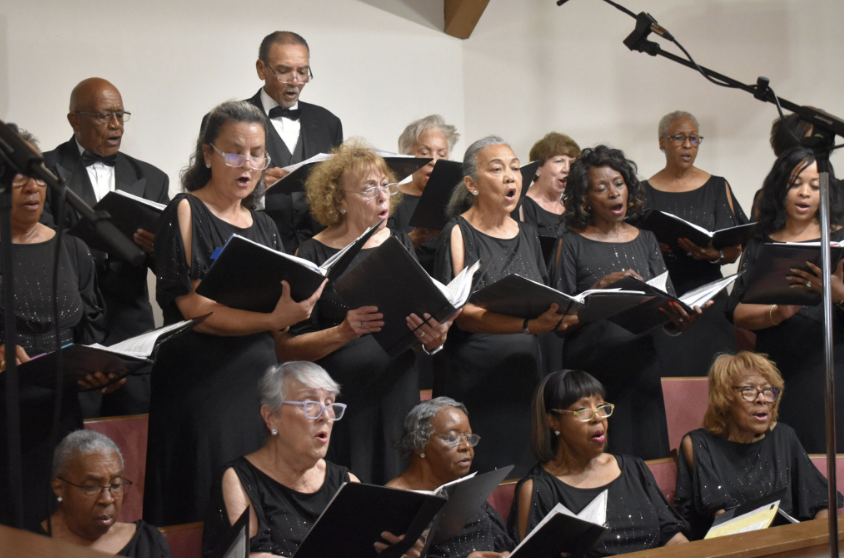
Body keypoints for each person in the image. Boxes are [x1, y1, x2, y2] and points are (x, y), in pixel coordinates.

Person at [143, 101, 324, 526]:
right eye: (233, 152)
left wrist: (299, 304)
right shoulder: (186, 209)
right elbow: (192, 307)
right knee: (205, 498)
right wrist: (271, 320)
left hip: (256, 381)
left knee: (253, 498)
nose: (247, 164)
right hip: (200, 381)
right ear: (207, 155)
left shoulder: (264, 226)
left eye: (257, 153)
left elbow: (276, 300)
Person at [274, 140, 452, 484]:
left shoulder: (398, 243)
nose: (383, 196)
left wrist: (434, 339)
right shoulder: (311, 252)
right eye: (369, 188)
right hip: (342, 402)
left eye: (385, 186)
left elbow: (420, 326)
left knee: (398, 491)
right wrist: (343, 332)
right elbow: (286, 348)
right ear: (339, 200)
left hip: (398, 390)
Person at [550, 145, 707, 460]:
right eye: (601, 187)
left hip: (641, 363)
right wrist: (598, 290)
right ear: (585, 197)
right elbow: (559, 320)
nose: (613, 193)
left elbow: (668, 302)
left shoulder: (646, 239)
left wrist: (681, 318)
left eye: (618, 184)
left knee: (645, 454)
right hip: (592, 372)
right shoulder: (570, 242)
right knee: (598, 457)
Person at [434, 136, 576, 477]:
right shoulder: (457, 232)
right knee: (482, 476)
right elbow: (460, 315)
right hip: (475, 379)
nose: (511, 176)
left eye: (515, 168)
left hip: (523, 377)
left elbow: (542, 295)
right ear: (472, 184)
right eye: (497, 169)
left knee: (524, 470)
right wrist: (527, 326)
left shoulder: (528, 233)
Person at [0, 127, 121, 529]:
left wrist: (102, 372)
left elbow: (90, 334)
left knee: (57, 527)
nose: (32, 188)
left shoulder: (73, 249)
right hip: (6, 412)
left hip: (60, 415)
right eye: (18, 179)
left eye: (39, 177)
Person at [41, 78, 170, 417]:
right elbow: (37, 248)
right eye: (103, 116)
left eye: (120, 115)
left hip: (131, 328)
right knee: (75, 437)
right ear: (74, 120)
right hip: (71, 326)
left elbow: (171, 263)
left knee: (134, 434)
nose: (115, 126)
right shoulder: (43, 170)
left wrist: (158, 248)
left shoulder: (153, 179)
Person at [727, 146, 844, 453]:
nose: (804, 193)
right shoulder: (760, 242)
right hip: (776, 370)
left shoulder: (840, 240)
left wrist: (836, 291)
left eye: (815, 186)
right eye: (795, 184)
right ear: (780, 187)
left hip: (832, 365)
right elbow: (737, 312)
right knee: (785, 458)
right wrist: (778, 313)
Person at [509, 370, 688, 556]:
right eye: (582, 410)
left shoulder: (634, 469)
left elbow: (672, 537)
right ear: (553, 421)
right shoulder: (538, 490)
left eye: (601, 406)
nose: (598, 418)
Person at [204, 31, 343, 254]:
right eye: (284, 71)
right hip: (252, 247)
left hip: (319, 252)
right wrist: (256, 188)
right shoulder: (225, 121)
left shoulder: (329, 122)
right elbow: (206, 194)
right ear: (261, 69)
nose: (295, 81)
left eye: (302, 72)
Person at [675, 352, 840, 540]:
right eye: (749, 390)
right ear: (726, 397)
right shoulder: (697, 445)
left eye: (768, 391)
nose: (761, 399)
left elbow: (821, 502)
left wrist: (818, 539)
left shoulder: (784, 437)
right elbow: (721, 518)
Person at [203, 362, 359, 557]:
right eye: (310, 404)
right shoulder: (239, 479)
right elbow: (253, 556)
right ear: (271, 417)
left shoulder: (347, 483)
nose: (326, 416)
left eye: (329, 403)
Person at [640, 111, 747, 376]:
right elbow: (632, 246)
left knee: (717, 378)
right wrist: (653, 250)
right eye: (678, 137)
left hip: (709, 297)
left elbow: (735, 250)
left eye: (694, 138)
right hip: (664, 299)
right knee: (668, 377)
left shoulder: (716, 187)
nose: (687, 145)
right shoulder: (643, 192)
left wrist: (714, 254)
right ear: (661, 142)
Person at [387, 397, 514, 558]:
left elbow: (502, 542)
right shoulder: (394, 500)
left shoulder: (466, 487)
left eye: (468, 438)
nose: (466, 447)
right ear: (419, 443)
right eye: (452, 438)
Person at [34, 430, 171, 557]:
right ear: (59, 488)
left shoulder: (147, 543)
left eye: (116, 485)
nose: (107, 499)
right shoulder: (29, 547)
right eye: (92, 487)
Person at [389, 114, 460, 272]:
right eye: (425, 153)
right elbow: (382, 257)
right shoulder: (390, 198)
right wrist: (414, 239)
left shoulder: (457, 199)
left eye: (442, 154)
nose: (434, 161)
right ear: (408, 157)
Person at [517, 132, 581, 253]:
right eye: (559, 161)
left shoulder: (571, 206)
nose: (567, 169)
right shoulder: (521, 205)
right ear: (538, 168)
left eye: (571, 163)